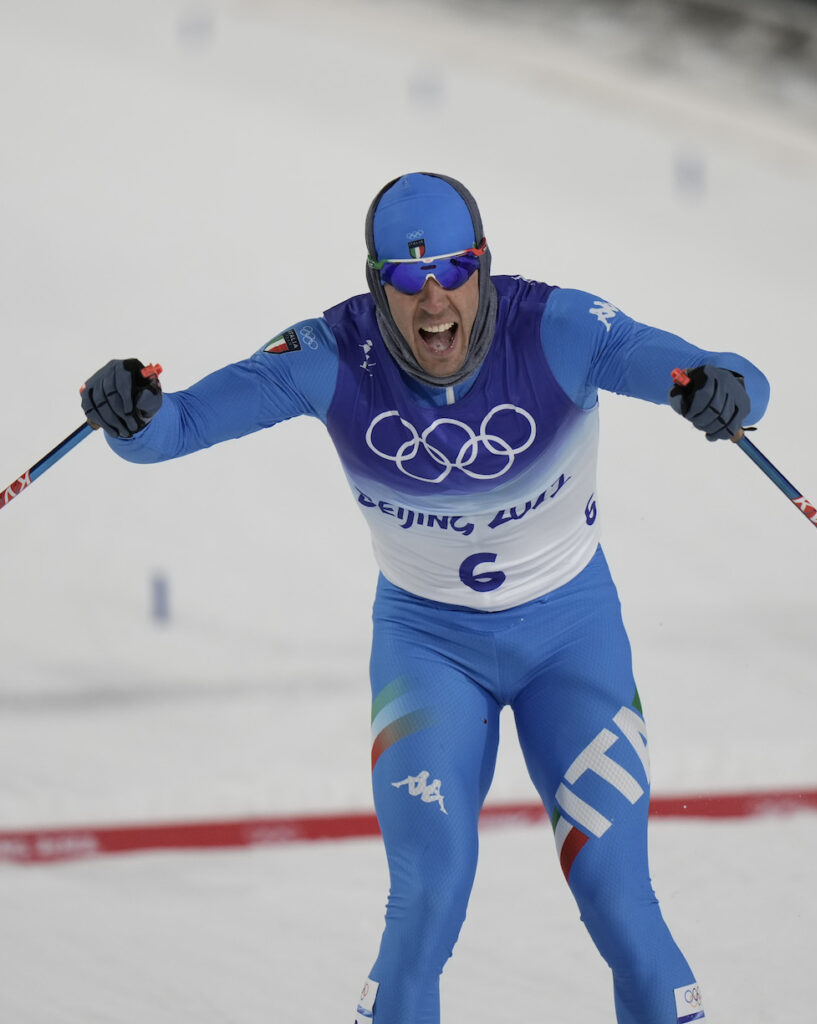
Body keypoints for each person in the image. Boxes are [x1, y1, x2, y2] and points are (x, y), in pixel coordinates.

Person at [81, 171, 769, 1024]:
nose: (434, 299)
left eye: (452, 270)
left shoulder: (557, 327)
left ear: (484, 267)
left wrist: (722, 389)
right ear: (377, 286)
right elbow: (172, 427)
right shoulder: (329, 352)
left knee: (620, 906)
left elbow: (727, 376)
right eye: (407, 279)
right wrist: (126, 410)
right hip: (428, 648)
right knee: (425, 905)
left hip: (571, 637)